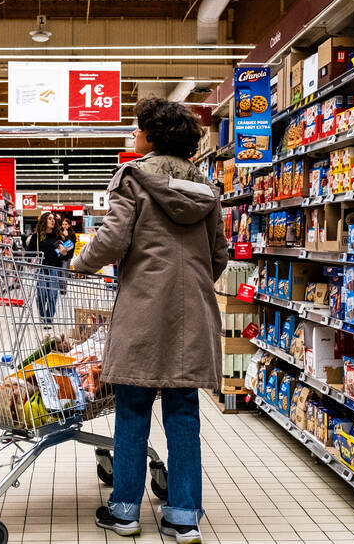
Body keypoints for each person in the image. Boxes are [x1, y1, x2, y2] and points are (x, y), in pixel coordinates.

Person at [70, 97, 227, 544]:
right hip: (192, 313)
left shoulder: (134, 177)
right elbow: (219, 256)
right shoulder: (207, 188)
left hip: (142, 309)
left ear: (152, 136)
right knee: (183, 415)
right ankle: (183, 515)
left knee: (133, 411)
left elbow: (113, 239)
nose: (133, 136)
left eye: (138, 129)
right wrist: (191, 283)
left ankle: (125, 513)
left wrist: (80, 263)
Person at [25, 211, 64, 323]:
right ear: (44, 221)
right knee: (42, 294)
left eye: (53, 219)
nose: (52, 221)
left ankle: (49, 319)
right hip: (41, 269)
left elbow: (61, 256)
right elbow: (29, 254)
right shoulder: (36, 237)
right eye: (50, 218)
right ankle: (42, 314)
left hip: (54, 268)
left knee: (52, 295)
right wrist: (32, 259)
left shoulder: (57, 237)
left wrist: (63, 253)